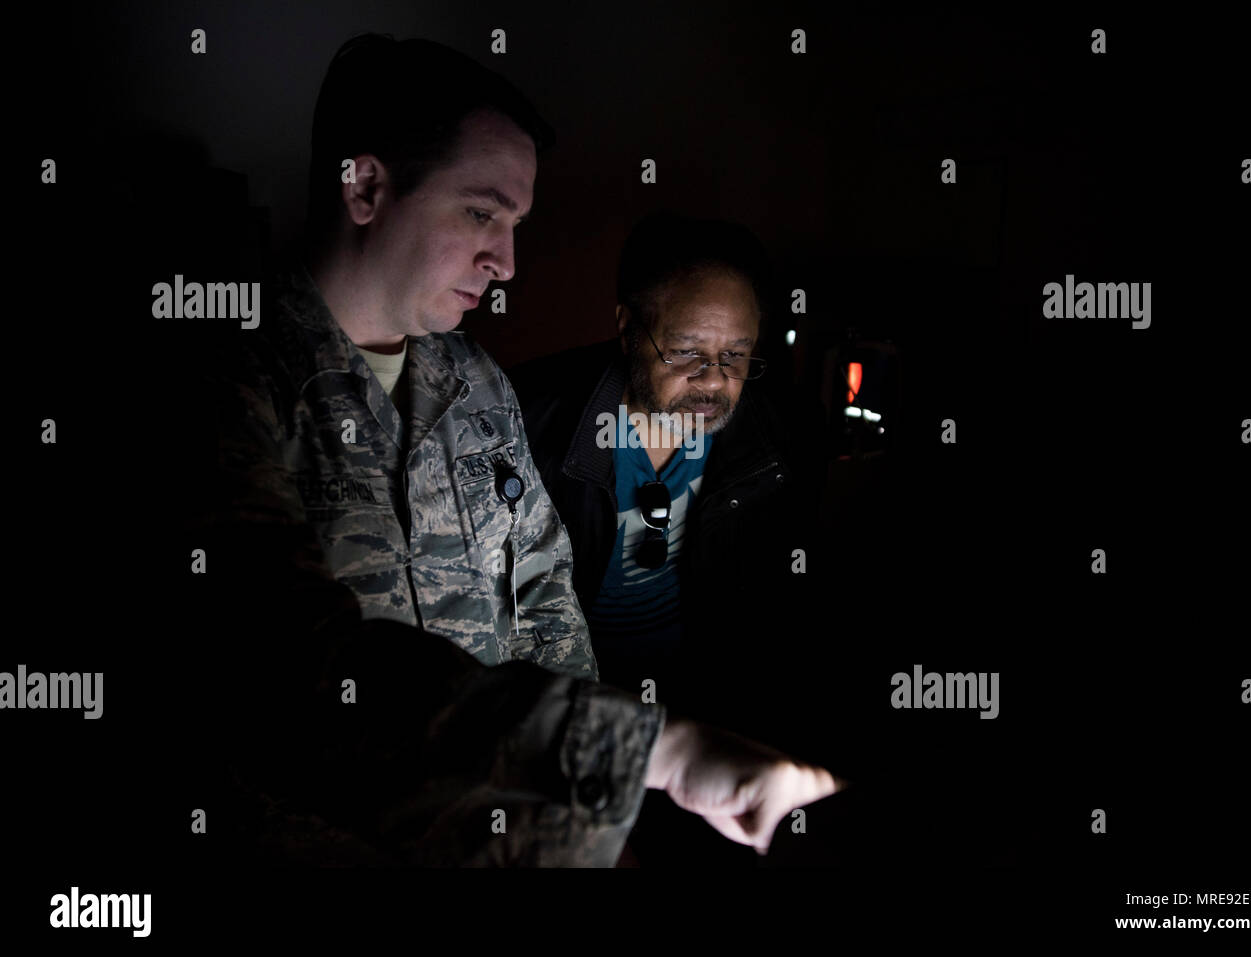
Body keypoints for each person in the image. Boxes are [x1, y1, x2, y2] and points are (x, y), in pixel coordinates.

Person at [187, 33, 841, 867]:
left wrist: (601, 809)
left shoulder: (477, 383)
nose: (505, 261)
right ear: (366, 185)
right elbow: (297, 670)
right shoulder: (228, 374)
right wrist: (654, 752)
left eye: (516, 223)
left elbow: (547, 598)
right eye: (480, 212)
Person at [512, 212, 828, 865]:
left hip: (709, 714)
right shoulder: (521, 417)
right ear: (628, 327)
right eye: (686, 351)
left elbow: (784, 626)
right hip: (568, 714)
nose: (714, 380)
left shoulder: (782, 437)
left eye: (736, 355)